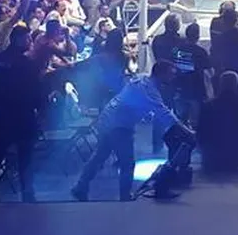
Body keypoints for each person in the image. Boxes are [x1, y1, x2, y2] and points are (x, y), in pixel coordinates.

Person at [71, 61, 190, 202]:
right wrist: (186, 130)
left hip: (108, 119)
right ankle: (125, 197)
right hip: (119, 125)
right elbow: (163, 112)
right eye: (171, 74)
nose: (173, 77)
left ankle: (80, 187)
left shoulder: (143, 79)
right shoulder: (148, 88)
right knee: (127, 163)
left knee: (99, 156)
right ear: (161, 74)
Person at [0, 25, 42, 203]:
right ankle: (28, 192)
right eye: (27, 38)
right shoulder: (27, 63)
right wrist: (39, 109)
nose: (30, 42)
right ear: (17, 40)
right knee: (26, 154)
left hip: (3, 114)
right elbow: (34, 90)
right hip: (23, 114)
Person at [171, 23, 214, 126]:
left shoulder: (177, 49)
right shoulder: (201, 51)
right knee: (196, 119)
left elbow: (173, 60)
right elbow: (210, 70)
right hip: (196, 88)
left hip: (181, 86)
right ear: (197, 36)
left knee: (181, 118)